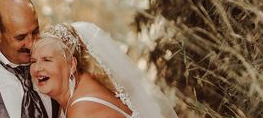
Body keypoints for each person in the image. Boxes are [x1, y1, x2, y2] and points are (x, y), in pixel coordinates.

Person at [30, 22, 178, 118]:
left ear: (72, 65)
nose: (37, 68)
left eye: (46, 60)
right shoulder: (83, 87)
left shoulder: (82, 111)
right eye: (33, 61)